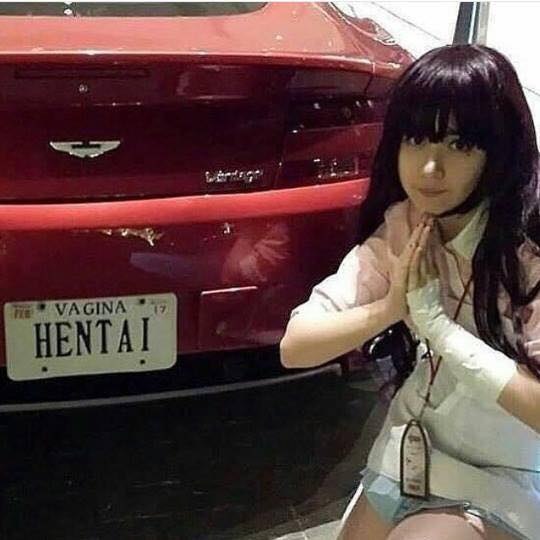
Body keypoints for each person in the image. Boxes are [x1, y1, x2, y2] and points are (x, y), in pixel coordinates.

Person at [279, 44, 540, 540]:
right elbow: (296, 346)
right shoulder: (407, 226)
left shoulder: (527, 253)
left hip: (500, 476)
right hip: (405, 462)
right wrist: (389, 307)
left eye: (459, 145)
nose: (430, 168)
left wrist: (441, 332)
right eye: (416, 140)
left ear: (499, 149)